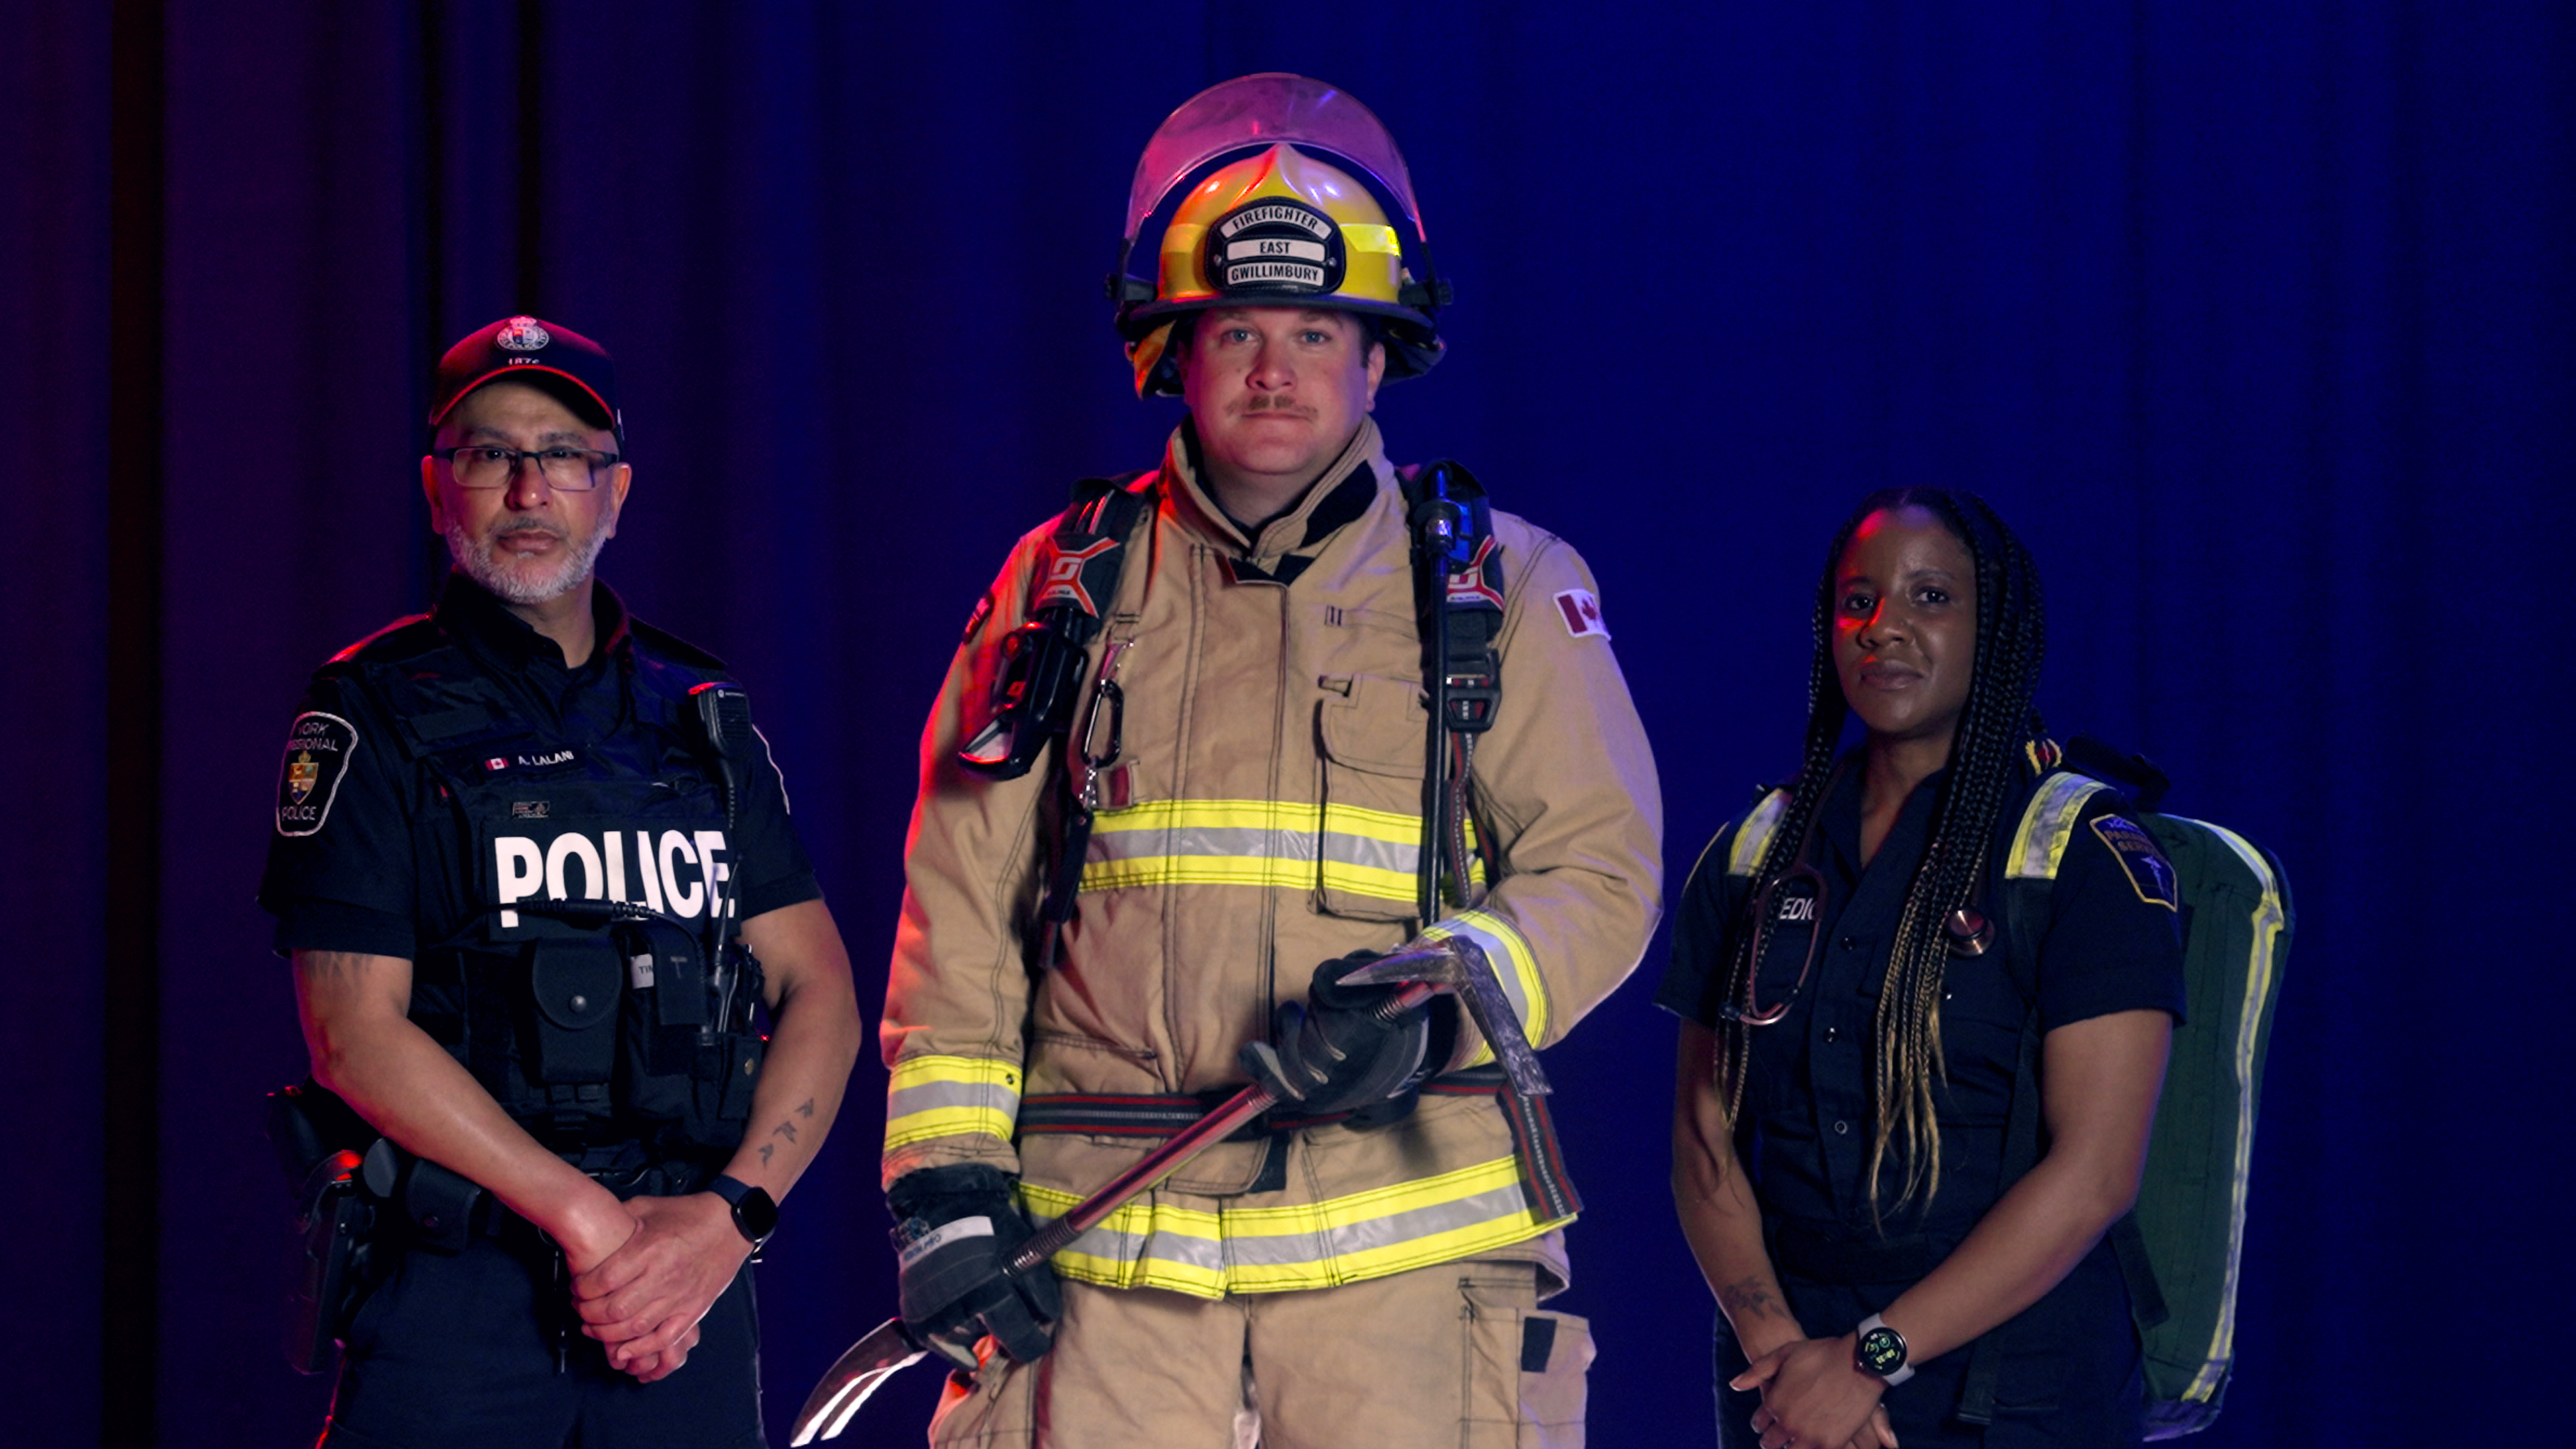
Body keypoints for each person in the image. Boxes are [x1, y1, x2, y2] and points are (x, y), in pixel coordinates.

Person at [877, 76, 1660, 1448]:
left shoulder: (1502, 586)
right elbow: (964, 909)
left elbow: (1599, 871)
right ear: (1173, 350)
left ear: (1378, 357)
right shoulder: (1061, 587)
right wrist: (944, 1185)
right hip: (1107, 1272)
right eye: (1238, 328)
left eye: (1316, 329)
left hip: (1401, 1276)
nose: (1273, 369)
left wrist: (1434, 1007)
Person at [260, 315, 862, 1447]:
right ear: (440, 490)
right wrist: (588, 1223)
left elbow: (818, 985)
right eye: (491, 454)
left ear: (615, 492)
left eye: (565, 456)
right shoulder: (369, 711)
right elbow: (351, 1033)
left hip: (682, 1286)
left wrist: (731, 1222)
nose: (530, 487)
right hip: (459, 1283)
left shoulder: (703, 718)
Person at [1662, 488, 2186, 1449]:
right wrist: (1787, 1363)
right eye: (1857, 603)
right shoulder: (1758, 851)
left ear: (1997, 628)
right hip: (1785, 1393)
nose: (1884, 628)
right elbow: (1705, 1139)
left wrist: (1868, 1362)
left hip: (2011, 1395)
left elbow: (2095, 1175)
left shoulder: (2078, 854)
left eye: (1931, 598)